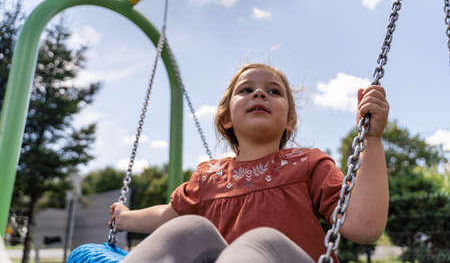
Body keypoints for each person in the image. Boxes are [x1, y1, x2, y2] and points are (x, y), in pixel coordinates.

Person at [110, 63, 389, 263]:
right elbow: (168, 216)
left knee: (260, 241)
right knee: (189, 229)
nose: (259, 93)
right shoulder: (209, 176)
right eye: (246, 90)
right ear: (226, 118)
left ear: (290, 120)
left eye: (274, 92)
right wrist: (124, 218)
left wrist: (372, 139)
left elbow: (363, 226)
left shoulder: (307, 163)